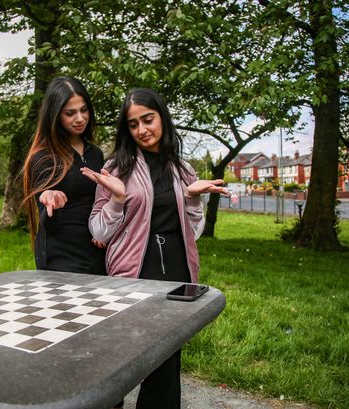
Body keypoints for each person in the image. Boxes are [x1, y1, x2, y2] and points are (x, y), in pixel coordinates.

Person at [81, 88, 228, 409]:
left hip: (178, 271)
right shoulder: (116, 168)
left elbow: (195, 231)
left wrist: (192, 197)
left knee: (168, 358)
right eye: (133, 124)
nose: (142, 130)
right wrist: (117, 200)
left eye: (148, 120)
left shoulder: (182, 169)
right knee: (125, 354)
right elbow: (98, 230)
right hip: (134, 273)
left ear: (162, 117)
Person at [22, 76, 106, 275]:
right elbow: (50, 225)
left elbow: (102, 201)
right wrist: (52, 205)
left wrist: (106, 229)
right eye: (70, 113)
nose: (80, 118)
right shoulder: (43, 157)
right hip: (62, 258)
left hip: (98, 252)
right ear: (55, 115)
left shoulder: (96, 154)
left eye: (84, 110)